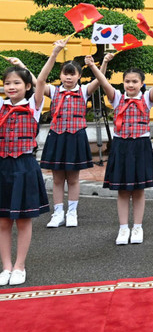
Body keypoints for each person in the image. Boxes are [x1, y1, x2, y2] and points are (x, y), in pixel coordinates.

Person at [85, 53, 153, 245]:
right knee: (123, 190)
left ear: (142, 83)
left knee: (139, 190)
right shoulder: (117, 98)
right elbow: (102, 81)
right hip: (121, 146)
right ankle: (123, 228)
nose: (131, 85)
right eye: (127, 81)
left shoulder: (147, 98)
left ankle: (138, 227)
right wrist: (97, 65)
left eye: (135, 81)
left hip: (140, 146)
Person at [36, 40, 108, 229]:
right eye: (65, 74)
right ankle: (58, 212)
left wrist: (101, 64)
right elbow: (40, 81)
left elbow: (100, 80)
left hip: (76, 137)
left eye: (72, 74)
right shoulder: (54, 90)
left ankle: (72, 212)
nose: (68, 78)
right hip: (57, 137)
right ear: (60, 75)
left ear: (78, 76)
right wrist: (54, 53)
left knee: (74, 178)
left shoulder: (84, 91)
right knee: (58, 178)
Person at [0, 63, 49, 286]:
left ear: (27, 85)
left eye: (16, 83)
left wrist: (55, 53)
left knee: (22, 220)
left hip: (25, 165)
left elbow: (42, 81)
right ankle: (6, 266)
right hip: (2, 166)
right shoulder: (0, 106)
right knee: (2, 221)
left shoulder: (34, 106)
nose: (11, 87)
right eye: (7, 83)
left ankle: (20, 265)